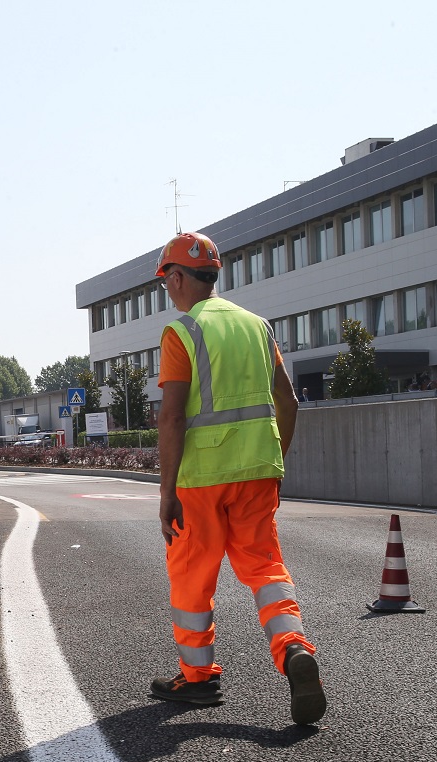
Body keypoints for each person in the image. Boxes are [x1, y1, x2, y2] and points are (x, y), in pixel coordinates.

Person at [150, 232, 327, 725]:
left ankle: (199, 677)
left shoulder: (181, 333)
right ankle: (292, 648)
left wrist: (166, 494)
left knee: (192, 576)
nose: (168, 289)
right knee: (266, 570)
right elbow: (288, 402)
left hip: (201, 480)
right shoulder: (258, 327)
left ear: (179, 277)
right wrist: (273, 463)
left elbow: (171, 418)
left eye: (167, 280)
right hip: (258, 474)